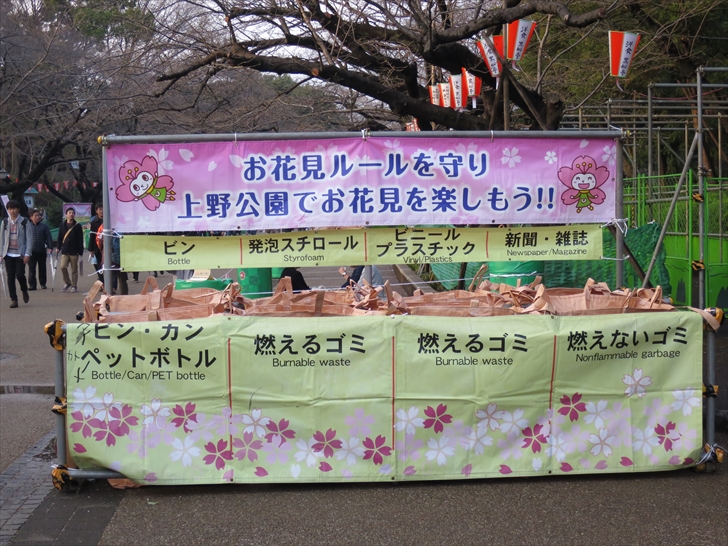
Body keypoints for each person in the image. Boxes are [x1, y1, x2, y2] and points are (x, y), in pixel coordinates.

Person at [0, 200, 32, 308]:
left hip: (20, 254)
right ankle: (14, 299)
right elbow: (1, 239)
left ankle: (24, 290)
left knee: (20, 275)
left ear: (18, 209)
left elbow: (29, 239)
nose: (12, 211)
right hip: (8, 254)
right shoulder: (5, 222)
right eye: (10, 209)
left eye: (14, 209)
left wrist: (27, 254)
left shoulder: (24, 221)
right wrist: (1, 254)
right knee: (10, 277)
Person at [56, 207, 84, 293]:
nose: (71, 214)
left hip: (74, 251)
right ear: (66, 214)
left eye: (73, 213)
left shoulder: (77, 226)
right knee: (62, 267)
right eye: (70, 213)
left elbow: (80, 239)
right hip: (65, 250)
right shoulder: (62, 225)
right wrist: (58, 247)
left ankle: (74, 285)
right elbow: (59, 238)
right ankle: (67, 282)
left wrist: (80, 251)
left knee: (74, 270)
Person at [27, 208, 53, 290]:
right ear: (31, 217)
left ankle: (43, 283)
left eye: (38, 215)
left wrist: (50, 246)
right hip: (31, 251)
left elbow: (48, 237)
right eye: (35, 216)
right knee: (31, 268)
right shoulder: (27, 226)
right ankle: (32, 284)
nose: (38, 217)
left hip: (41, 250)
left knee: (42, 268)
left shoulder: (44, 226)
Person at [88, 203, 103, 281]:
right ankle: (102, 281)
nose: (102, 211)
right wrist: (91, 249)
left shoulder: (110, 220)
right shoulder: (94, 222)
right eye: (100, 209)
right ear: (96, 211)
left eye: (103, 209)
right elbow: (92, 236)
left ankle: (112, 285)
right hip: (97, 247)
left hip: (109, 247)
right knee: (99, 264)